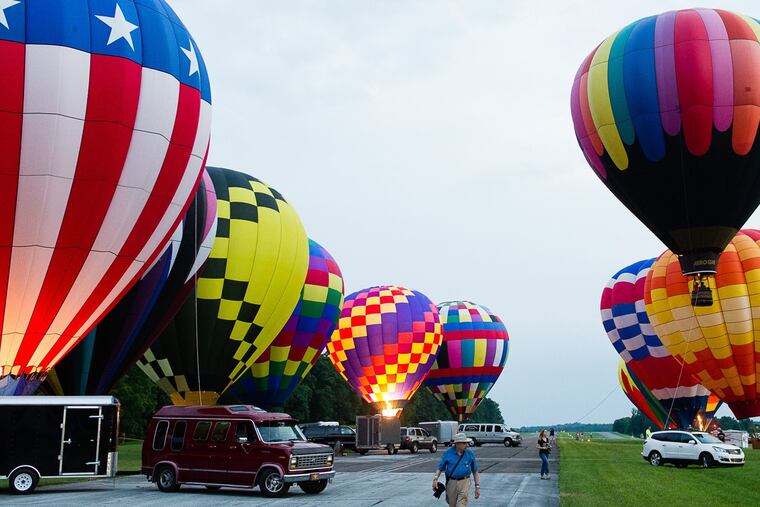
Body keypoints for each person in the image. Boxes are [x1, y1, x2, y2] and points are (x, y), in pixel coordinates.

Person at [432, 432, 480, 506]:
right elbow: (440, 468)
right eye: (464, 443)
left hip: (465, 482)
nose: (467, 445)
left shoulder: (469, 453)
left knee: (461, 504)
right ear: (457, 444)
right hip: (451, 482)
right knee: (452, 504)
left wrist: (477, 486)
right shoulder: (448, 453)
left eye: (466, 443)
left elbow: (475, 470)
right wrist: (435, 479)